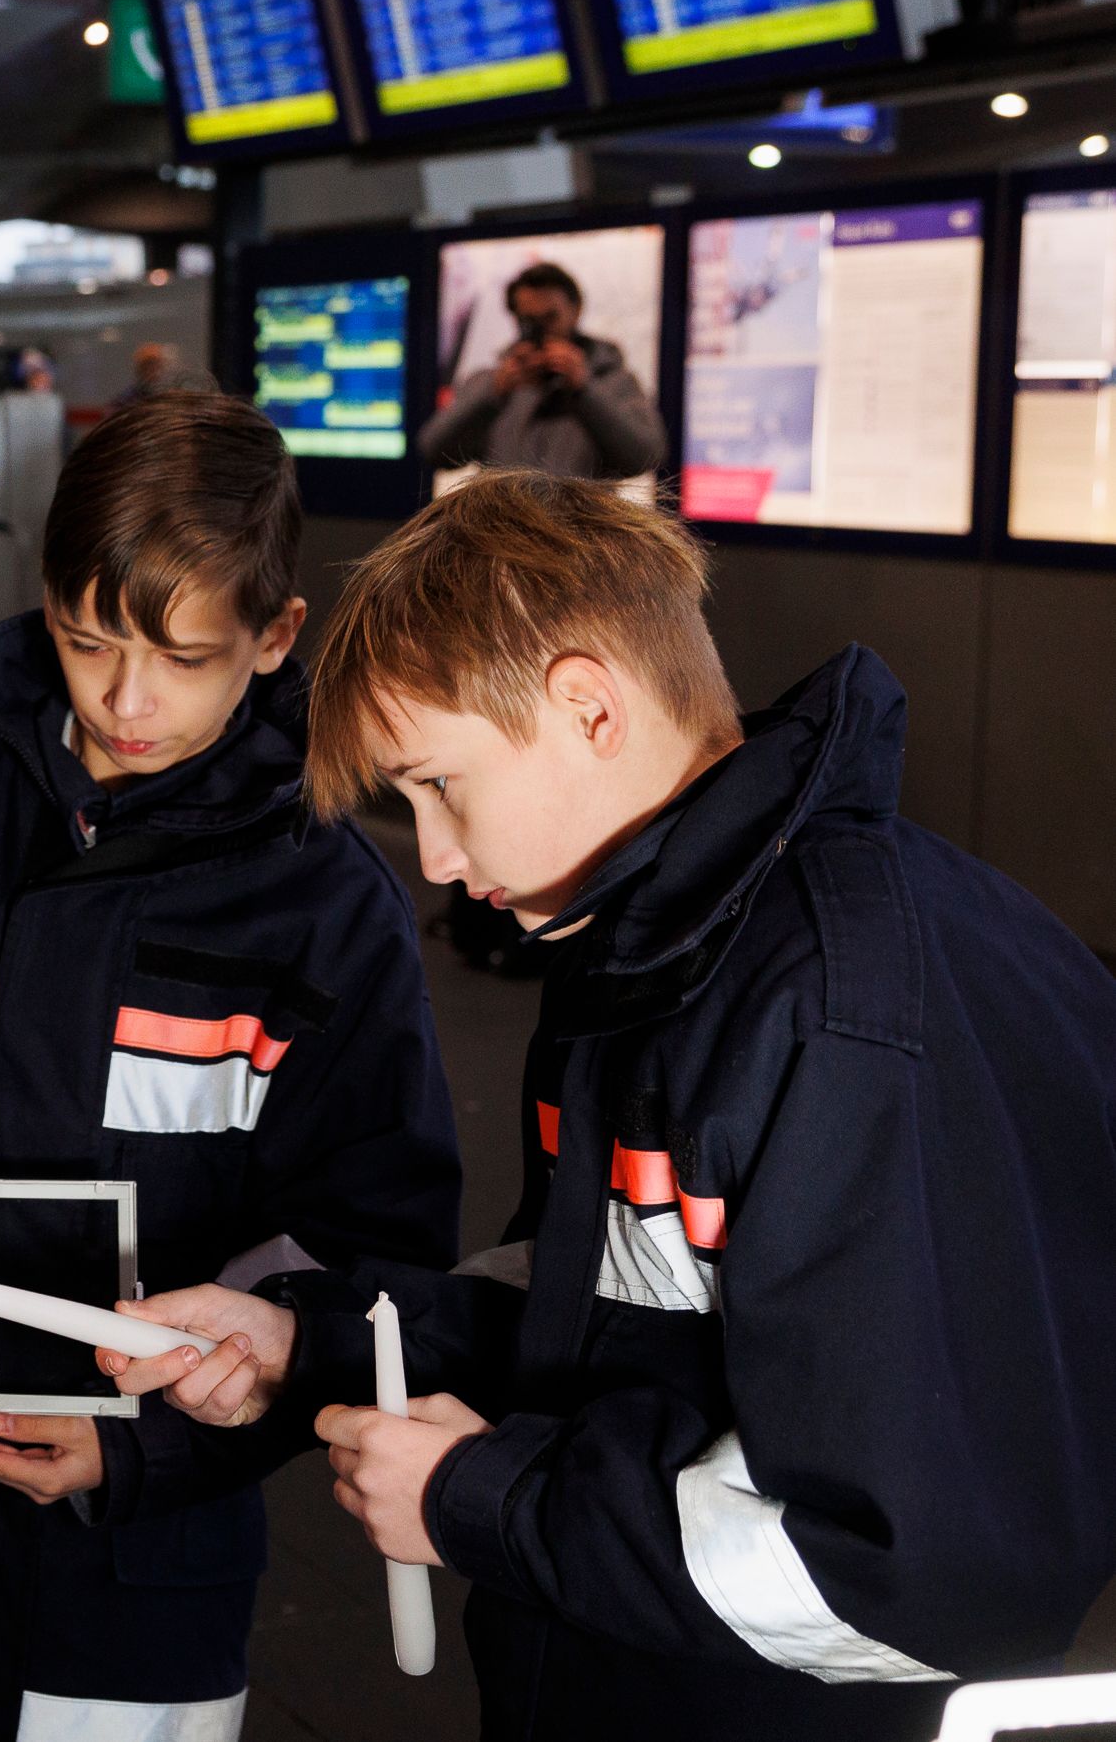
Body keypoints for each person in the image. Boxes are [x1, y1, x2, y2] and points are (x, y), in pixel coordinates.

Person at [108, 472, 1116, 1742]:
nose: (434, 859)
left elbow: (909, 1576)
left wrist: (480, 1501)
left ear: (587, 706)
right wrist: (304, 1341)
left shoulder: (842, 1011)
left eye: (440, 787)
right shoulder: (654, 948)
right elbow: (596, 1300)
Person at [0, 391, 462, 1742]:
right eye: (85, 640)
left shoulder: (322, 900)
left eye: (183, 658)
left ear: (273, 635)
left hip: (128, 1576)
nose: (127, 700)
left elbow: (377, 1247)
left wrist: (146, 1447)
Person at [418, 263, 664, 482]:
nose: (541, 332)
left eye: (550, 318)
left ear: (575, 310)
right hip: (502, 529)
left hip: (577, 531)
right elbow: (434, 451)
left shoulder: (612, 381)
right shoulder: (492, 382)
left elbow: (646, 457)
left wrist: (585, 391)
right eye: (528, 321)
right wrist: (492, 395)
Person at [107, 340, 208, 413]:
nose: (156, 371)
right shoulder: (128, 399)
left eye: (158, 366)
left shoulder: (162, 394)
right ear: (141, 368)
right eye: (150, 366)